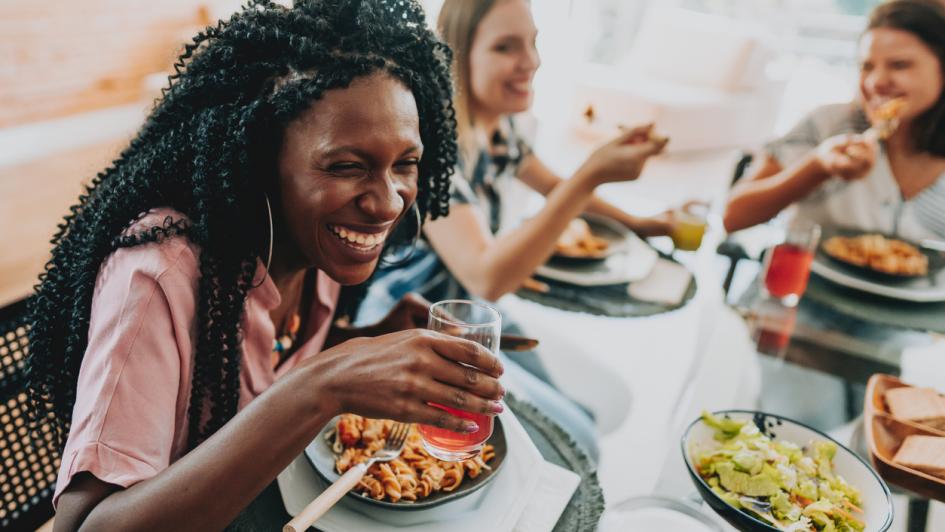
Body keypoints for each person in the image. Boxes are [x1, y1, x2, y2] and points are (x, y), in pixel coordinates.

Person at [26, 2, 507, 530]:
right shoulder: (160, 276)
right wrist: (322, 384)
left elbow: (266, 361)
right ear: (261, 159)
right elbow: (83, 525)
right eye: (348, 166)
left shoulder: (312, 248)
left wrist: (364, 338)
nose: (389, 202)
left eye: (405, 164)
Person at [724, 0, 945, 241]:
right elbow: (732, 216)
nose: (875, 82)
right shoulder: (828, 124)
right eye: (866, 66)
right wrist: (817, 167)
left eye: (900, 65)